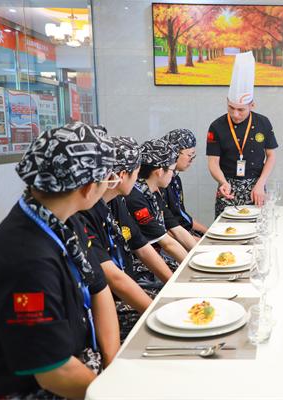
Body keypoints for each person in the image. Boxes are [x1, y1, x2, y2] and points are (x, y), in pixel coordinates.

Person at [0, 123, 120, 398]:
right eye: (107, 179)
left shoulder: (64, 220)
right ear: (88, 188)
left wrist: (114, 367)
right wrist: (113, 393)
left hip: (80, 359)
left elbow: (98, 287)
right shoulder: (26, 260)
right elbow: (53, 372)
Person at [81, 136, 173, 341]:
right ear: (122, 175)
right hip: (108, 304)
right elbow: (113, 277)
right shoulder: (84, 212)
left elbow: (141, 246)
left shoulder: (115, 201)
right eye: (136, 173)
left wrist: (174, 284)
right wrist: (158, 314)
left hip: (125, 287)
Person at [206, 51, 278, 218]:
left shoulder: (263, 122)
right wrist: (222, 182)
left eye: (241, 110)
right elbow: (213, 162)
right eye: (231, 108)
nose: (235, 114)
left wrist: (261, 183)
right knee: (226, 229)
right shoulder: (216, 126)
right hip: (227, 188)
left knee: (258, 229)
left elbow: (271, 156)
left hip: (256, 188)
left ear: (252, 105)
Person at [124, 138, 190, 267]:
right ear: (159, 172)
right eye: (172, 170)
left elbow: (176, 229)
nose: (173, 175)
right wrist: (192, 265)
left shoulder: (153, 191)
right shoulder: (135, 198)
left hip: (157, 255)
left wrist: (197, 255)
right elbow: (167, 244)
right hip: (139, 265)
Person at [162, 128, 208, 236]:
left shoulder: (175, 179)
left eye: (193, 156)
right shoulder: (161, 183)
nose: (191, 160)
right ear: (174, 153)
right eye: (189, 155)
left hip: (181, 233)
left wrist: (208, 231)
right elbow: (164, 229)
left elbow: (181, 215)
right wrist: (198, 241)